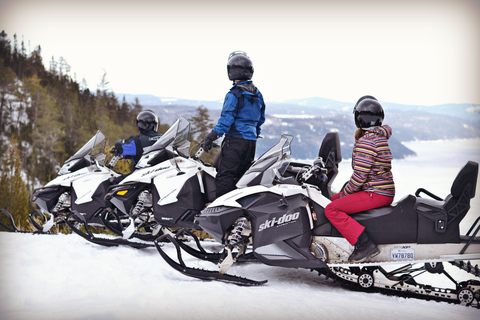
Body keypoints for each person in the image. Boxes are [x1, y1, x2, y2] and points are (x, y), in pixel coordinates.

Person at [324, 96, 395, 263]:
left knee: (331, 209)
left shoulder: (367, 141)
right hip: (382, 190)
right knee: (333, 199)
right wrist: (342, 194)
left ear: (359, 118)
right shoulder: (379, 136)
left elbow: (359, 177)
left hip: (375, 192)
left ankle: (364, 244)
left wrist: (345, 193)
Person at [201, 51, 266, 198]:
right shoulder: (257, 93)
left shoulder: (234, 94)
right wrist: (254, 133)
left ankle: (221, 211)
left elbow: (226, 119)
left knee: (225, 175)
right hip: (251, 142)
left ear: (231, 71)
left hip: (235, 141)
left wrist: (211, 137)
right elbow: (260, 118)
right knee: (242, 176)